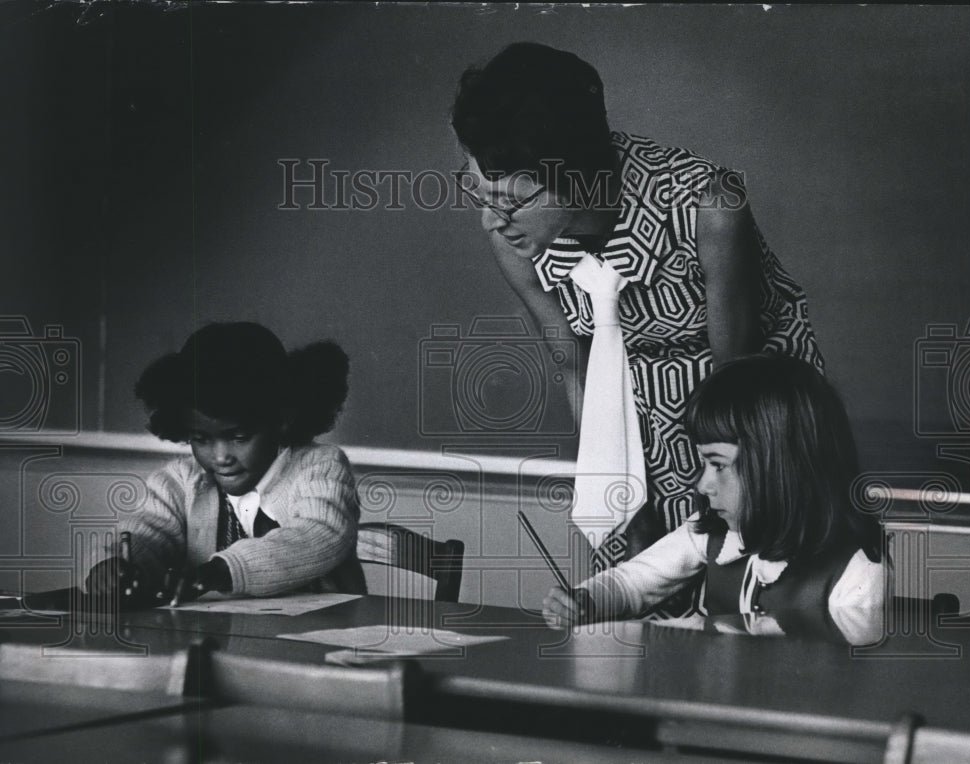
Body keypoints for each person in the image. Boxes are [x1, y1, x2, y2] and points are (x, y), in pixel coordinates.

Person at [451, 43, 825, 610]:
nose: (491, 220)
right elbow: (574, 369)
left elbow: (738, 385)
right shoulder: (516, 241)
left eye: (510, 203)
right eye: (481, 193)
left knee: (746, 617)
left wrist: (712, 498)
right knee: (626, 609)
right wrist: (623, 498)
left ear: (572, 176)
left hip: (752, 442)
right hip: (626, 439)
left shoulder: (708, 206)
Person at [542, 355, 887, 629]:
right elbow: (632, 583)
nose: (702, 485)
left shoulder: (858, 571)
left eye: (718, 464)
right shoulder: (712, 531)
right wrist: (587, 601)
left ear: (779, 465)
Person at [86, 322, 366, 607]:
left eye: (239, 436)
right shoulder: (181, 482)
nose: (220, 457)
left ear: (283, 418)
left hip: (322, 638)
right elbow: (147, 530)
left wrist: (220, 571)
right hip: (220, 638)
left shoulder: (319, 467)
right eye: (200, 438)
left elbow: (319, 533)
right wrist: (111, 564)